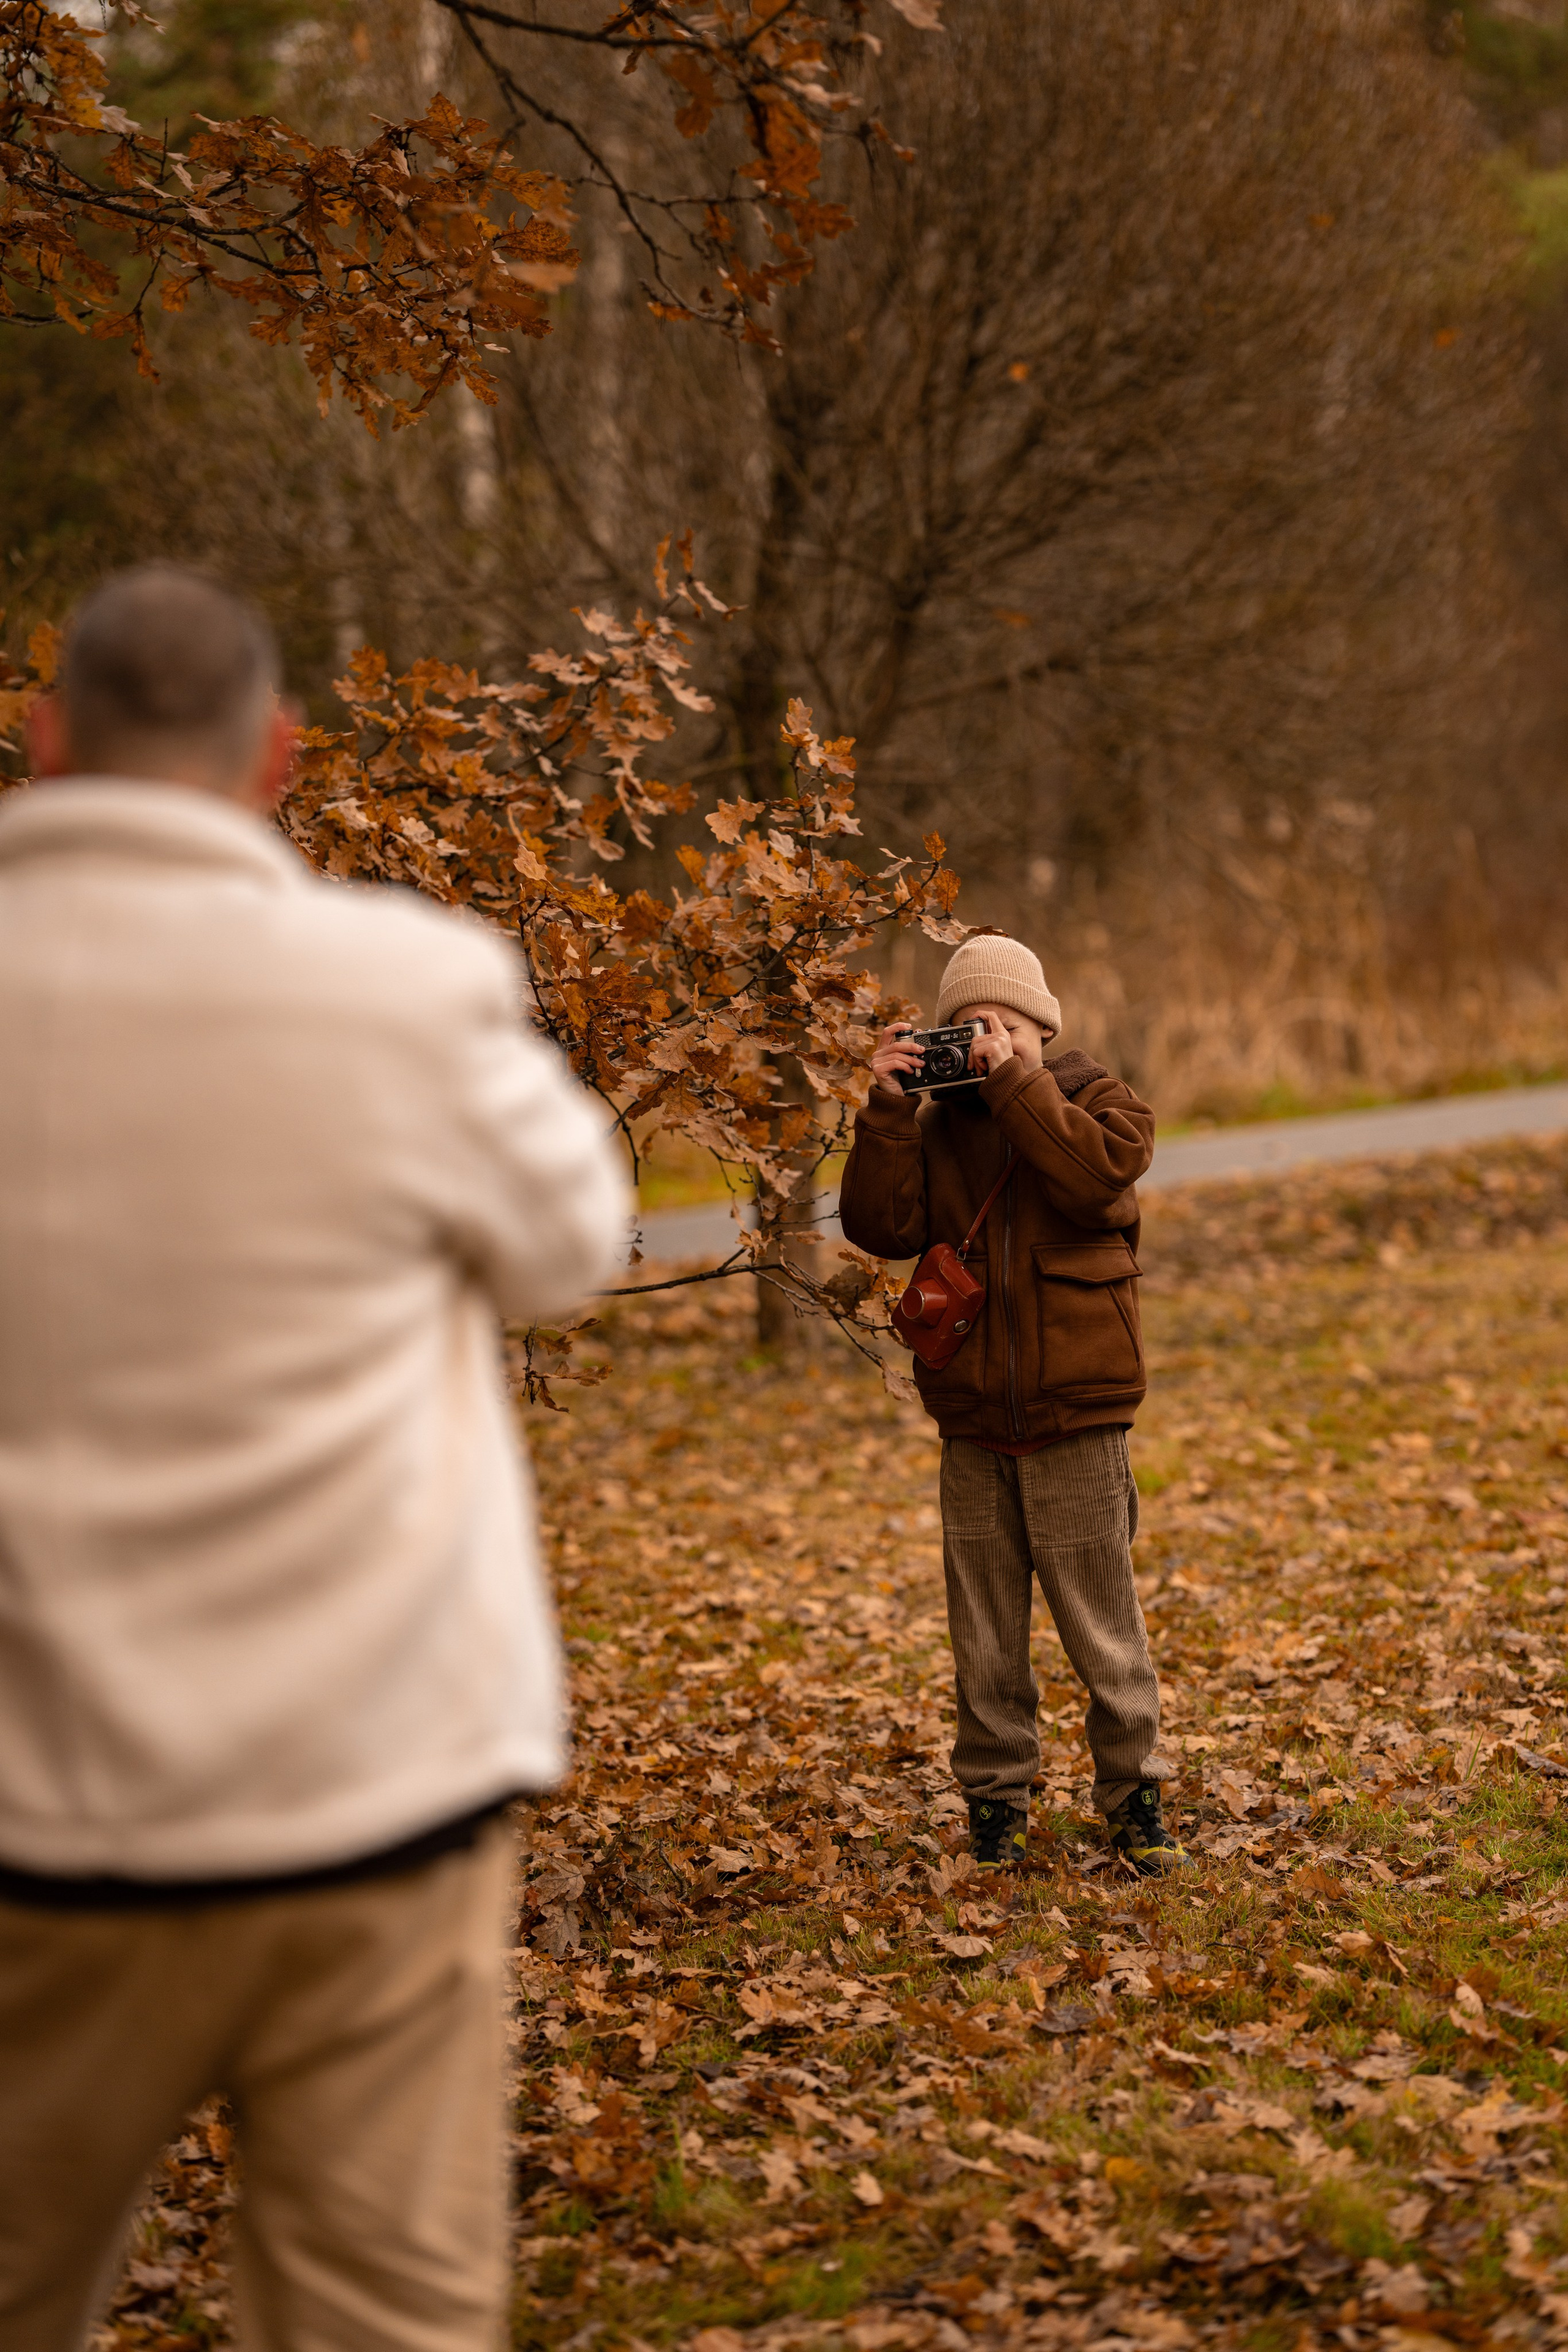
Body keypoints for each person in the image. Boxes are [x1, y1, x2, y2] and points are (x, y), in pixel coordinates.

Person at [0, 568, 628, 2350]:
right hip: (377, 1800)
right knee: (380, 2315)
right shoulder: (408, 989)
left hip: (31, 1817)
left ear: (47, 746)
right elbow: (575, 1246)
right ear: (277, 758)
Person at [840, 933, 1187, 1877]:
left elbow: (1092, 1181)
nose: (983, 1040)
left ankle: (1135, 1797)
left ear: (1042, 1028)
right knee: (985, 1634)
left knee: (1100, 1624)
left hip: (1078, 1410)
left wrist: (1013, 1086)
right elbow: (882, 1228)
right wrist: (884, 1105)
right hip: (973, 1416)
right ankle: (997, 1804)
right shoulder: (934, 1124)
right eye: (963, 1028)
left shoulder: (1100, 1103)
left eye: (1000, 1024)